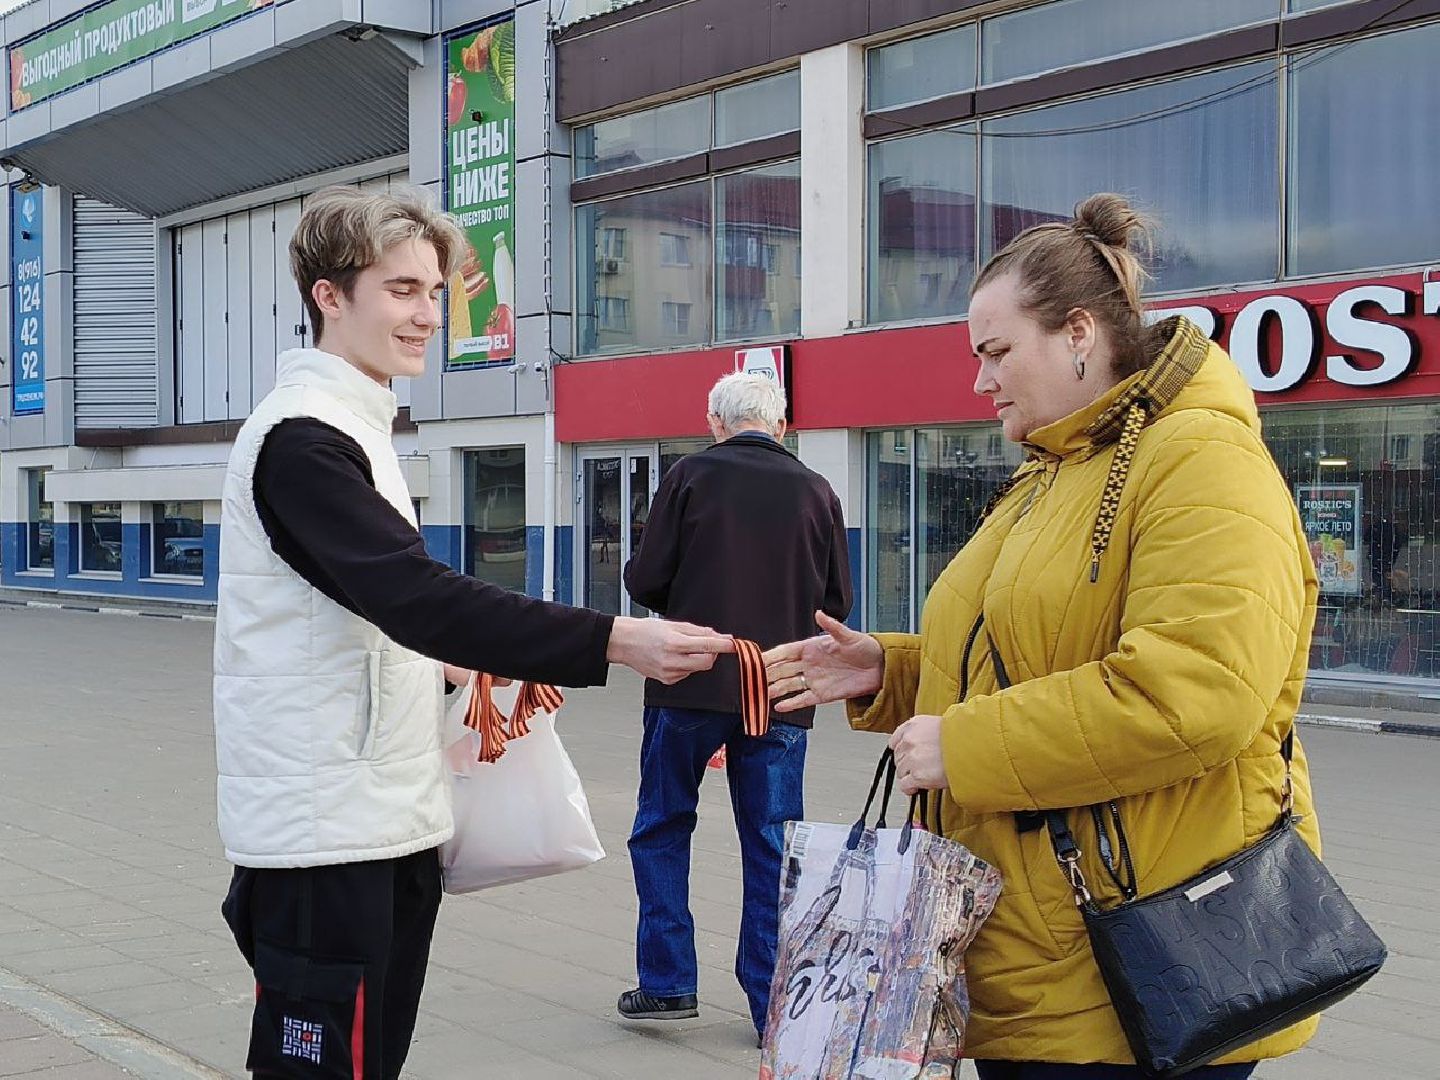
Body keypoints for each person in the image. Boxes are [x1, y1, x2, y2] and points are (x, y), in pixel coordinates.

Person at [764, 194, 1321, 1079]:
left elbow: (1197, 693)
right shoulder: (1058, 468)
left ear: (1078, 333)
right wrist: (890, 670)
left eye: (996, 352)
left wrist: (965, 744)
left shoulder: (1200, 459)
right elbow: (1029, 652)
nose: (980, 381)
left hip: (1145, 950)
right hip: (1043, 943)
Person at [214, 186, 732, 1079]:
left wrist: (452, 664)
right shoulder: (302, 441)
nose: (426, 313)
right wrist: (615, 638)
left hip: (381, 815)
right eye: (401, 290)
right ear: (328, 297)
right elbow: (414, 594)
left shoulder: (358, 425)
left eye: (433, 291)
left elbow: (374, 612)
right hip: (325, 834)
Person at [617, 372, 852, 1043]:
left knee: (662, 823)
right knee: (774, 846)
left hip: (688, 679)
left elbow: (645, 578)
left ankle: (666, 985)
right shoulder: (817, 490)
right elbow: (837, 605)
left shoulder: (689, 476)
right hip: (780, 687)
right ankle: (770, 1004)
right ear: (780, 427)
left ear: (716, 422)